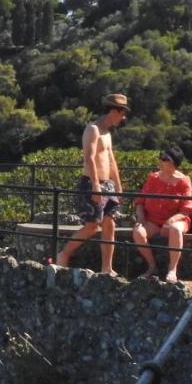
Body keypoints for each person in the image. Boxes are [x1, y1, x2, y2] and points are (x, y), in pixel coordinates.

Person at [55, 93, 129, 273]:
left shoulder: (108, 134)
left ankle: (107, 268)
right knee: (92, 226)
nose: (123, 117)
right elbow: (89, 158)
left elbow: (111, 161)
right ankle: (63, 254)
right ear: (113, 111)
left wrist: (118, 187)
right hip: (91, 183)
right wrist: (96, 186)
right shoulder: (93, 129)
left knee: (110, 224)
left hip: (108, 184)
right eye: (122, 113)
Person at [132, 145, 192, 283]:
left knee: (175, 229)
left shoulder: (184, 181)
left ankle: (172, 269)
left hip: (178, 219)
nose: (160, 161)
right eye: (161, 158)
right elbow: (140, 201)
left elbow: (187, 209)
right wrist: (141, 217)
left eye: (164, 159)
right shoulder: (153, 178)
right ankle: (151, 266)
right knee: (138, 232)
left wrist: (172, 220)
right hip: (153, 220)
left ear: (173, 163)